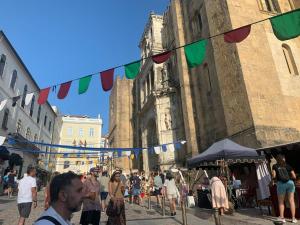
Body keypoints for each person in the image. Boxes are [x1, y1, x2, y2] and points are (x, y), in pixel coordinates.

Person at [272, 154, 297, 223]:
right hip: (290, 183)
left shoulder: (275, 166)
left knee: (281, 202)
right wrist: (288, 179)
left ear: (277, 159)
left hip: (281, 184)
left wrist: (273, 181)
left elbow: (273, 176)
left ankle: (282, 218)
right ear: (284, 159)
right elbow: (294, 176)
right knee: (291, 201)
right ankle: (293, 218)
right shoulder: (288, 166)